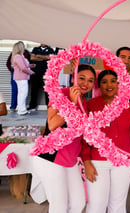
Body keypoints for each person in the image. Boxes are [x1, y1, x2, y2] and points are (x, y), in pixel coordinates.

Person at [32, 64, 96, 213]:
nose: (85, 83)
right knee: (59, 206)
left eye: (90, 80)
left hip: (70, 160)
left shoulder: (83, 102)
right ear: (73, 77)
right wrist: (71, 104)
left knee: (78, 203)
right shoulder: (60, 94)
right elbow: (52, 124)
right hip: (51, 158)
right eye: (82, 78)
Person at [81, 70, 130, 213]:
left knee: (118, 204)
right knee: (97, 204)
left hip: (124, 161)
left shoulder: (128, 106)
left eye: (113, 81)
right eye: (104, 82)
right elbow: (84, 136)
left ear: (119, 84)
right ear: (99, 86)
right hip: (98, 161)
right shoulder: (91, 105)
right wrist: (87, 162)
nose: (109, 85)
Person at [28, 44, 55, 110]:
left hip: (46, 73)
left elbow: (51, 57)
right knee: (34, 90)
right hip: (35, 73)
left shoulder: (50, 49)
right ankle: (32, 106)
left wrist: (38, 56)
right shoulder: (35, 49)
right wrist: (44, 58)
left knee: (47, 91)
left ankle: (49, 107)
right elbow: (32, 58)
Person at [11, 41, 35, 115]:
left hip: (20, 78)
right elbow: (23, 68)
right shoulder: (18, 57)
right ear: (20, 48)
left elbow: (24, 65)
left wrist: (30, 66)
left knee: (21, 94)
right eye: (23, 46)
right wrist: (31, 72)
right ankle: (22, 110)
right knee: (23, 94)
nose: (24, 48)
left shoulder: (19, 56)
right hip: (21, 78)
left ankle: (21, 109)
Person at [6, 41, 31, 112]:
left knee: (21, 92)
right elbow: (22, 67)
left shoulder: (25, 53)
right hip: (19, 75)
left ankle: (21, 108)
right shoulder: (16, 55)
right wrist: (12, 70)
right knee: (18, 91)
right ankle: (15, 107)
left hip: (22, 75)